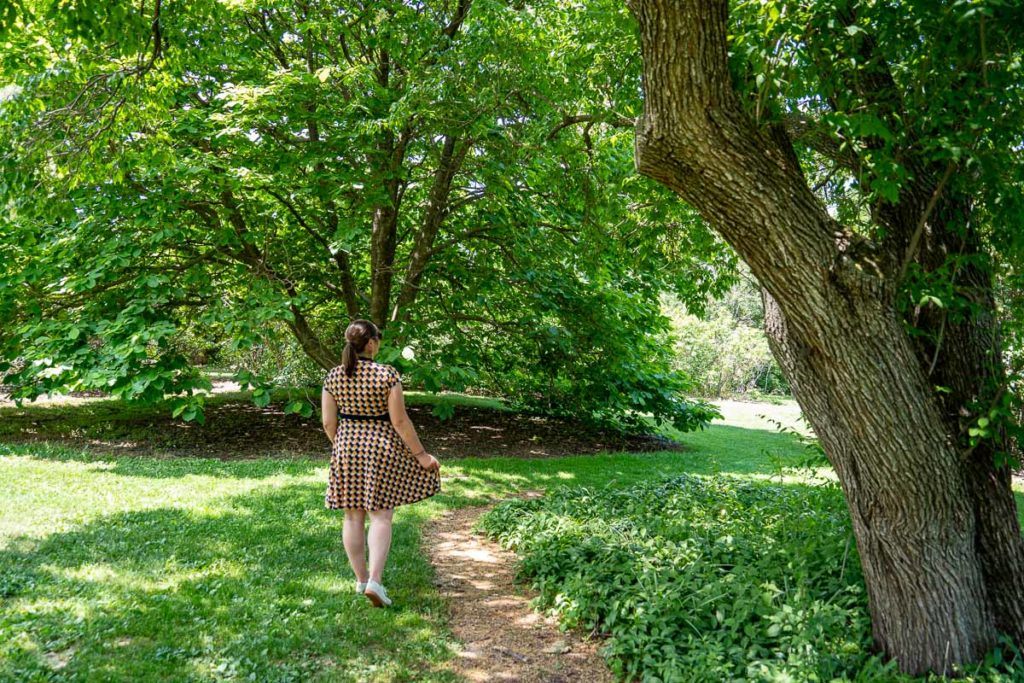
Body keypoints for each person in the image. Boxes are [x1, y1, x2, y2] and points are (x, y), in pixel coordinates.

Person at [320, 319, 441, 608]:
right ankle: (375, 580)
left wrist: (344, 444)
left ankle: (361, 579)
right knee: (381, 515)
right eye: (379, 339)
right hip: (380, 448)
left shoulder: (334, 376)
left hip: (346, 446)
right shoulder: (387, 374)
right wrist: (422, 455)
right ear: (371, 343)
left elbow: (327, 422)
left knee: (352, 517)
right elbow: (399, 421)